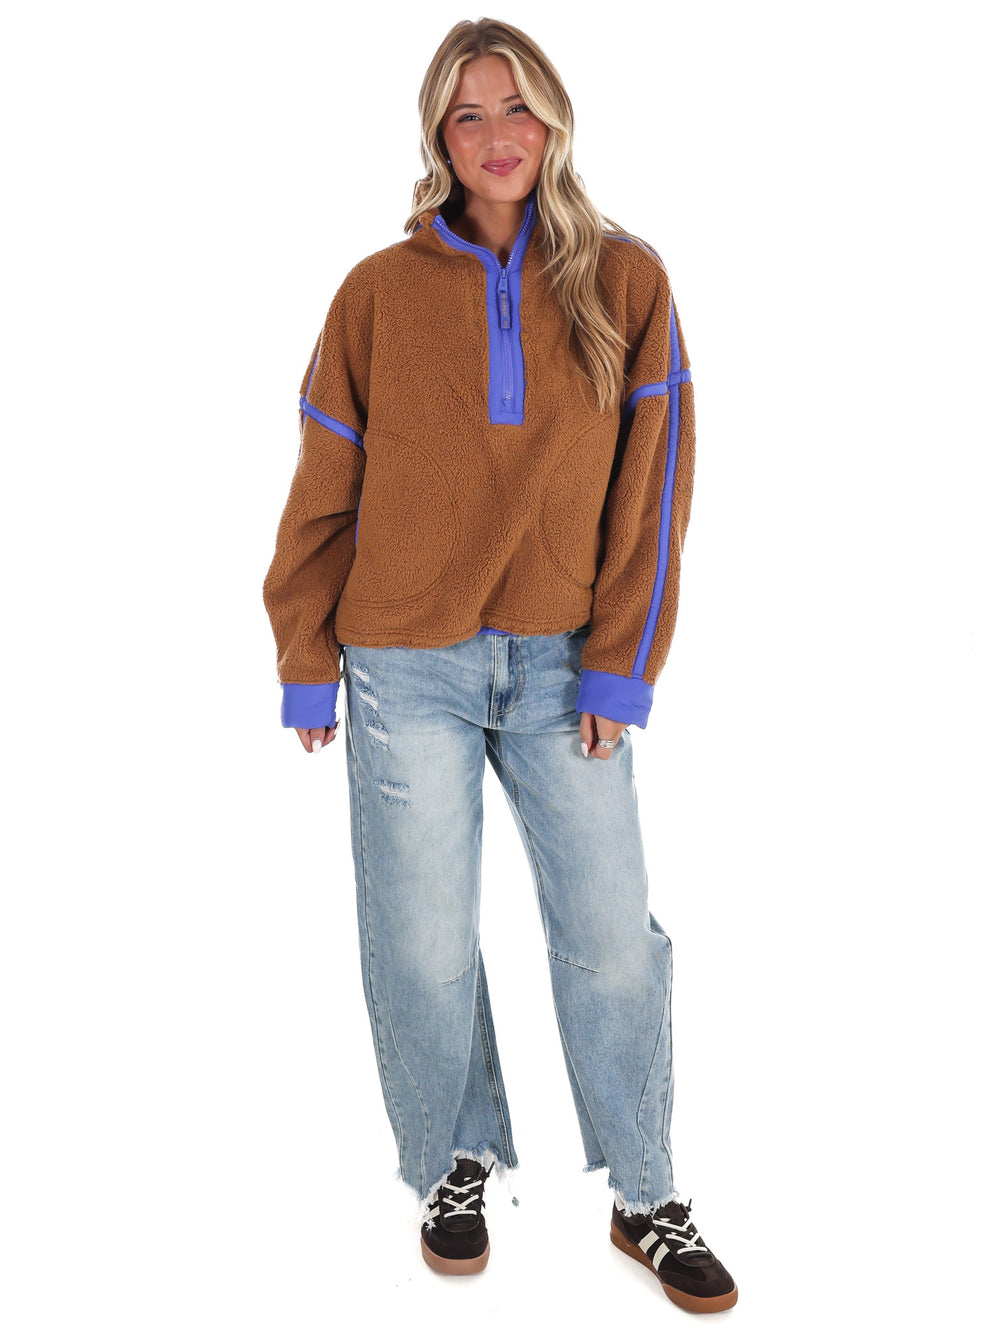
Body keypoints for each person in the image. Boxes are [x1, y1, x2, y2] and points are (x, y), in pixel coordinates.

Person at [262, 16, 737, 1314]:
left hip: (565, 665)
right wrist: (306, 654)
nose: (496, 136)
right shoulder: (376, 291)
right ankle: (456, 1159)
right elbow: (324, 483)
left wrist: (622, 664)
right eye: (468, 113)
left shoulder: (626, 279)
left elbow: (656, 488)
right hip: (400, 659)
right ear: (438, 133)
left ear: (554, 119)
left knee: (613, 940)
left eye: (517, 107)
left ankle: (645, 1192)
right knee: (420, 939)